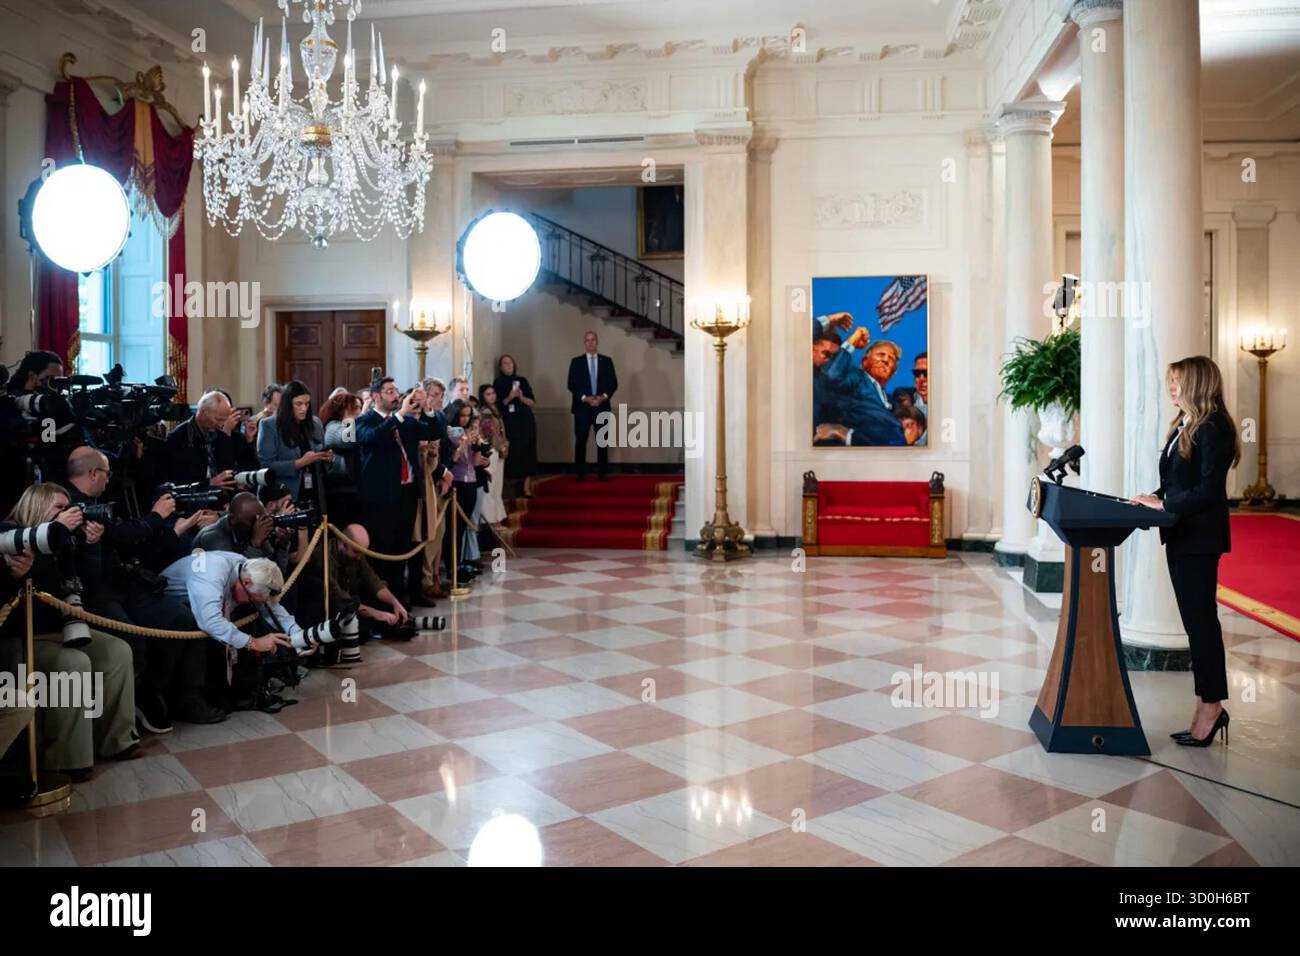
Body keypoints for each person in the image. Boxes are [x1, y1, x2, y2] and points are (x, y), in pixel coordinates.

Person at [63, 446, 223, 730]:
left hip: (126, 583)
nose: (109, 479)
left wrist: (173, 528)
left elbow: (132, 542)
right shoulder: (70, 505)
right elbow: (125, 536)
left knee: (182, 619)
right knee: (131, 638)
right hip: (95, 592)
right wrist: (157, 516)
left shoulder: (104, 501)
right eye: (106, 473)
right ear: (92, 473)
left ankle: (161, 691)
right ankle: (134, 703)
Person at [1128, 355, 1240, 748]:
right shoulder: (1186, 425)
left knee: (1201, 624)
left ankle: (1211, 706)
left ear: (1197, 384)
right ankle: (1205, 701)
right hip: (1182, 535)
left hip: (1199, 538)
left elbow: (1209, 490)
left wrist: (1166, 506)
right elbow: (1178, 481)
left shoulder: (1214, 427)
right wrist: (1154, 498)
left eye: (1177, 382)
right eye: (1169, 381)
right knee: (1197, 623)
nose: (1171, 388)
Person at [0, 483, 138, 779]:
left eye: (69, 508)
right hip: (20, 635)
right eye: (59, 509)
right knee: (73, 663)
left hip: (62, 628)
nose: (69, 514)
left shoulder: (67, 541)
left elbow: (85, 586)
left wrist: (91, 547)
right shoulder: (11, 535)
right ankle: (66, 758)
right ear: (37, 507)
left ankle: (115, 739)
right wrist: (24, 571)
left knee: (117, 651)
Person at [159, 552, 298, 711]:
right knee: (202, 631)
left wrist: (300, 635)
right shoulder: (212, 574)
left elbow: (270, 609)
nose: (253, 603)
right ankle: (190, 697)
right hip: (166, 607)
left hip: (193, 608)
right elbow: (210, 621)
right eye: (252, 599)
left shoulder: (249, 570)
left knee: (243, 619)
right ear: (246, 582)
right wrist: (253, 642)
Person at [355, 378, 447, 602]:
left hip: (407, 493)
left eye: (395, 390)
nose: (394, 394)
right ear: (376, 396)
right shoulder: (365, 420)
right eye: (388, 391)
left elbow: (435, 431)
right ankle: (383, 602)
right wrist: (399, 415)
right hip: (381, 496)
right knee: (383, 551)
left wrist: (427, 408)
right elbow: (372, 438)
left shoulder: (406, 421)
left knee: (403, 548)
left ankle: (401, 599)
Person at [256, 379, 331, 504]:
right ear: (287, 404)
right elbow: (266, 465)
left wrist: (327, 458)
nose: (304, 409)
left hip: (314, 492)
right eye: (299, 404)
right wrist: (299, 463)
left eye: (307, 404)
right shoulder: (269, 425)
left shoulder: (315, 424)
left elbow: (322, 456)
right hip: (284, 495)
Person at [161, 390, 241, 491]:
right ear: (203, 412)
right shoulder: (177, 438)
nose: (221, 425)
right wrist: (208, 484)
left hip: (221, 500)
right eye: (218, 419)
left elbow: (229, 472)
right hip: (190, 501)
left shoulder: (222, 438)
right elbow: (174, 483)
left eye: (223, 420)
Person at [567, 330, 618, 480]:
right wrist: (585, 398)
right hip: (582, 408)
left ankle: (602, 474)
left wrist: (603, 397)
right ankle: (580, 474)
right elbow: (571, 384)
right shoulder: (576, 362)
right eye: (587, 340)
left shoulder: (606, 361)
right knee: (581, 441)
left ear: (597, 342)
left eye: (593, 340)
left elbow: (613, 383)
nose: (590, 343)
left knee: (602, 441)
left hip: (602, 407)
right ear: (584, 343)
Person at [493, 355, 538, 497]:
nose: (509, 365)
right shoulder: (498, 382)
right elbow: (499, 405)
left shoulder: (522, 380)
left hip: (525, 420)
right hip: (510, 421)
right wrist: (511, 396)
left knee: (528, 450)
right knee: (513, 451)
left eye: (511, 362)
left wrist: (521, 397)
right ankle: (510, 488)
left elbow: (532, 402)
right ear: (500, 367)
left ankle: (526, 487)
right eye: (505, 363)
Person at [477, 384, 509, 527]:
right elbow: (488, 432)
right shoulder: (485, 411)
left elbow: (501, 431)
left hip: (499, 450)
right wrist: (499, 445)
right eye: (488, 394)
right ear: (483, 397)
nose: (492, 396)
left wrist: (505, 444)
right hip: (491, 450)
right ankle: (489, 519)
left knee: (497, 485)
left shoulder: (495, 410)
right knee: (491, 485)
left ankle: (496, 516)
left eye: (493, 393)